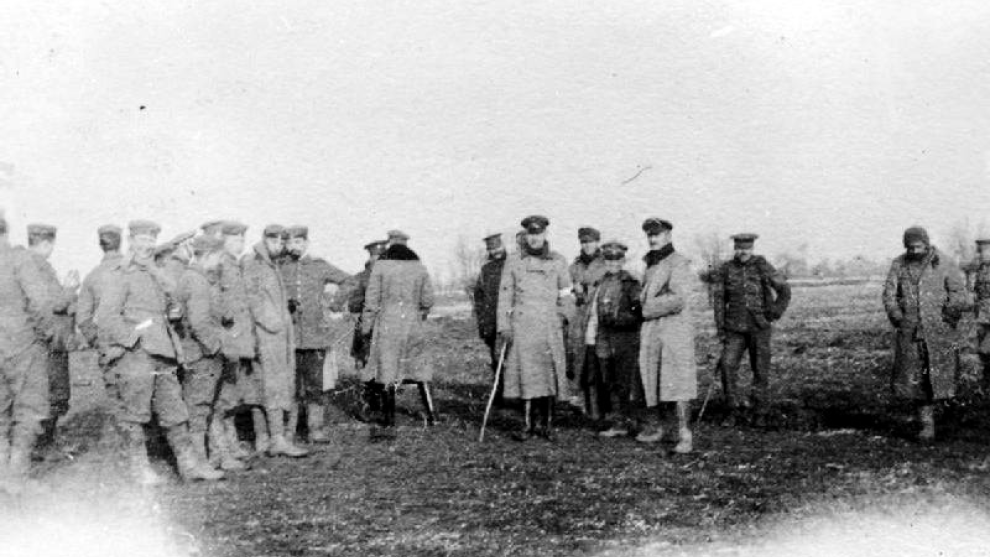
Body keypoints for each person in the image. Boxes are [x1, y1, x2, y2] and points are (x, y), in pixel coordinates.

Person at [95, 220, 222, 484]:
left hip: (163, 352)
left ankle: (190, 467)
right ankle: (139, 470)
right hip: (136, 355)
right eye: (142, 240)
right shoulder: (120, 274)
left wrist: (172, 313)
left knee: (174, 411)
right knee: (135, 413)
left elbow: (168, 305)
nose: (147, 245)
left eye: (151, 240)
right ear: (131, 242)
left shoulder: (156, 273)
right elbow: (106, 316)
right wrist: (131, 339)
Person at [882, 226, 971, 442]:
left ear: (927, 244)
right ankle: (926, 425)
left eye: (918, 247)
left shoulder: (944, 262)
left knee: (943, 377)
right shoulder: (899, 264)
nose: (914, 251)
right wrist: (898, 317)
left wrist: (949, 315)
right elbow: (889, 295)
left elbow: (958, 292)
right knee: (918, 382)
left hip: (940, 331)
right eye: (910, 248)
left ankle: (950, 419)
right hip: (911, 333)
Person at [497, 215, 572, 441]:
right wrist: (504, 326)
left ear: (545, 234)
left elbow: (566, 294)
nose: (534, 238)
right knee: (527, 375)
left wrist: (563, 317)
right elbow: (505, 295)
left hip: (549, 327)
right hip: (523, 327)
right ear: (526, 235)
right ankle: (527, 424)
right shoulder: (514, 261)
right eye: (531, 234)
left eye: (538, 234)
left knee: (548, 376)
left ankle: (546, 424)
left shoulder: (558, 261)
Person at [177, 234, 247, 471]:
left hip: (204, 353)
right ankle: (199, 463)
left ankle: (218, 456)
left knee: (211, 406)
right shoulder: (196, 281)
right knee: (198, 409)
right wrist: (217, 348)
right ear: (208, 255)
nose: (219, 262)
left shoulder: (198, 279)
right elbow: (199, 323)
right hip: (201, 355)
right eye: (218, 257)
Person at [713, 232, 791, 428]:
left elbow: (784, 290)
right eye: (739, 248)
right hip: (734, 328)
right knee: (727, 366)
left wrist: (775, 312)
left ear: (752, 248)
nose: (743, 252)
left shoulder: (762, 265)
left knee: (760, 369)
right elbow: (719, 302)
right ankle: (732, 411)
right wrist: (721, 329)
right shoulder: (726, 269)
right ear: (735, 249)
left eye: (746, 248)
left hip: (759, 327)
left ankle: (759, 412)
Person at [242, 225, 308, 457]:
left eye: (282, 242)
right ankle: (276, 439)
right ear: (265, 240)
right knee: (272, 386)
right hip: (267, 335)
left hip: (276, 336)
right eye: (275, 241)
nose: (279, 246)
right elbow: (252, 298)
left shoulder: (270, 264)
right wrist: (273, 323)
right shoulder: (255, 264)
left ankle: (265, 439)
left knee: (269, 386)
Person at [280, 225, 350, 443]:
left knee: (315, 385)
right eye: (289, 242)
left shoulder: (319, 266)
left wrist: (335, 304)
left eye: (298, 242)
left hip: (315, 337)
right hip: (289, 337)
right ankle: (289, 431)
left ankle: (315, 429)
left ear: (306, 243)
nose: (293, 246)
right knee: (290, 386)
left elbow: (350, 281)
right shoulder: (281, 267)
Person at [361, 234, 435, 438]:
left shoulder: (381, 266)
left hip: (387, 324)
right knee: (419, 370)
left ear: (390, 244)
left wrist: (366, 328)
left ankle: (389, 420)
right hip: (413, 324)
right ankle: (432, 415)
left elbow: (371, 302)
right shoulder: (419, 266)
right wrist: (419, 314)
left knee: (387, 370)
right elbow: (428, 300)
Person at [634, 219, 698, 452]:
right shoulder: (650, 264)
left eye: (657, 234)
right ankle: (659, 428)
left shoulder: (678, 262)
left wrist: (645, 308)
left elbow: (678, 299)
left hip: (674, 332)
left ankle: (684, 434)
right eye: (650, 235)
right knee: (654, 379)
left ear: (668, 236)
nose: (653, 239)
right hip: (653, 332)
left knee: (679, 383)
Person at [0, 217, 54, 489]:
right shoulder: (19, 259)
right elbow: (41, 303)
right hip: (21, 343)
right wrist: (44, 334)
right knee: (30, 410)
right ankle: (15, 477)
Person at [26, 224, 80, 451]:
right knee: (53, 393)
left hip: (50, 341)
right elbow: (53, 304)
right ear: (47, 243)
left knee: (54, 393)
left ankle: (45, 440)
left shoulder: (34, 266)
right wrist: (69, 289)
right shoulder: (36, 268)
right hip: (47, 343)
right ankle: (42, 443)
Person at [584, 240, 643, 438]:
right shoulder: (601, 282)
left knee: (625, 381)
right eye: (609, 260)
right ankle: (618, 421)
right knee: (608, 380)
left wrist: (619, 319)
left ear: (623, 261)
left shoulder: (630, 283)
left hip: (624, 339)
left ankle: (630, 421)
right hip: (603, 338)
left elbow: (638, 313)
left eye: (617, 260)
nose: (613, 264)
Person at [218, 221, 266, 455]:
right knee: (227, 395)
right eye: (235, 239)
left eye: (241, 240)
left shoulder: (243, 265)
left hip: (247, 340)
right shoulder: (219, 265)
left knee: (251, 390)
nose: (239, 244)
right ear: (224, 240)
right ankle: (230, 445)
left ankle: (258, 438)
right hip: (230, 340)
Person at [568, 227, 607, 417]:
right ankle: (582, 401)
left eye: (590, 241)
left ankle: (600, 408)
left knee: (597, 363)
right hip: (579, 320)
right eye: (583, 242)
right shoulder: (575, 266)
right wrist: (575, 291)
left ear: (597, 242)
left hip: (598, 319)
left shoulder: (605, 263)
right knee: (579, 362)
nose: (587, 245)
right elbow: (567, 289)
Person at [347, 240, 388, 421]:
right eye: (375, 256)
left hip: (385, 329)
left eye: (381, 256)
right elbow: (353, 305)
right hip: (367, 330)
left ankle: (382, 406)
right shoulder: (361, 278)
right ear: (370, 257)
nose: (378, 259)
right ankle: (367, 407)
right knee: (366, 367)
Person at [472, 233, 507, 405]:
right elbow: (479, 297)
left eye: (497, 247)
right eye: (491, 249)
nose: (495, 251)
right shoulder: (485, 270)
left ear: (503, 246)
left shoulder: (513, 265)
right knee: (496, 358)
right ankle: (500, 392)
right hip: (492, 322)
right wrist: (483, 323)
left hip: (510, 320)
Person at [973, 238, 990, 392]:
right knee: (982, 350)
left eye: (985, 251)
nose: (980, 254)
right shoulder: (981, 269)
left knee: (985, 349)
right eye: (980, 251)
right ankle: (985, 380)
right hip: (982, 315)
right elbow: (978, 292)